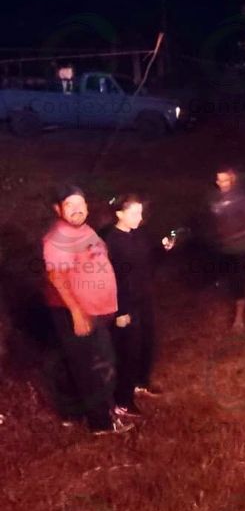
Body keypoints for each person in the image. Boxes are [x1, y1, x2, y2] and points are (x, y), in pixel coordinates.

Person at [43, 185, 132, 434]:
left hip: (94, 310)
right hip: (77, 312)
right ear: (57, 209)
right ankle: (101, 422)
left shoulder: (84, 229)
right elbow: (56, 276)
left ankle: (74, 412)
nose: (76, 209)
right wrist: (76, 313)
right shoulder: (57, 237)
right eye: (69, 205)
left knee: (85, 363)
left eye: (79, 204)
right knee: (97, 366)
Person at [104, 194, 172, 416]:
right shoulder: (112, 241)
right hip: (126, 302)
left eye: (140, 213)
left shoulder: (138, 234)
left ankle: (141, 382)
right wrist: (120, 310)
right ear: (119, 214)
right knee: (128, 350)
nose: (139, 218)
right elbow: (113, 279)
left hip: (144, 297)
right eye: (134, 213)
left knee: (147, 342)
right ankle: (122, 401)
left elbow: (148, 261)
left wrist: (164, 249)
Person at [210, 167, 245, 330]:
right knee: (229, 277)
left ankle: (239, 318)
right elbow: (218, 220)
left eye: (225, 180)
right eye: (219, 180)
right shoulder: (216, 199)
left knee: (239, 280)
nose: (221, 183)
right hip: (224, 247)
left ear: (232, 180)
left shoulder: (243, 199)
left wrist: (233, 236)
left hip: (242, 247)